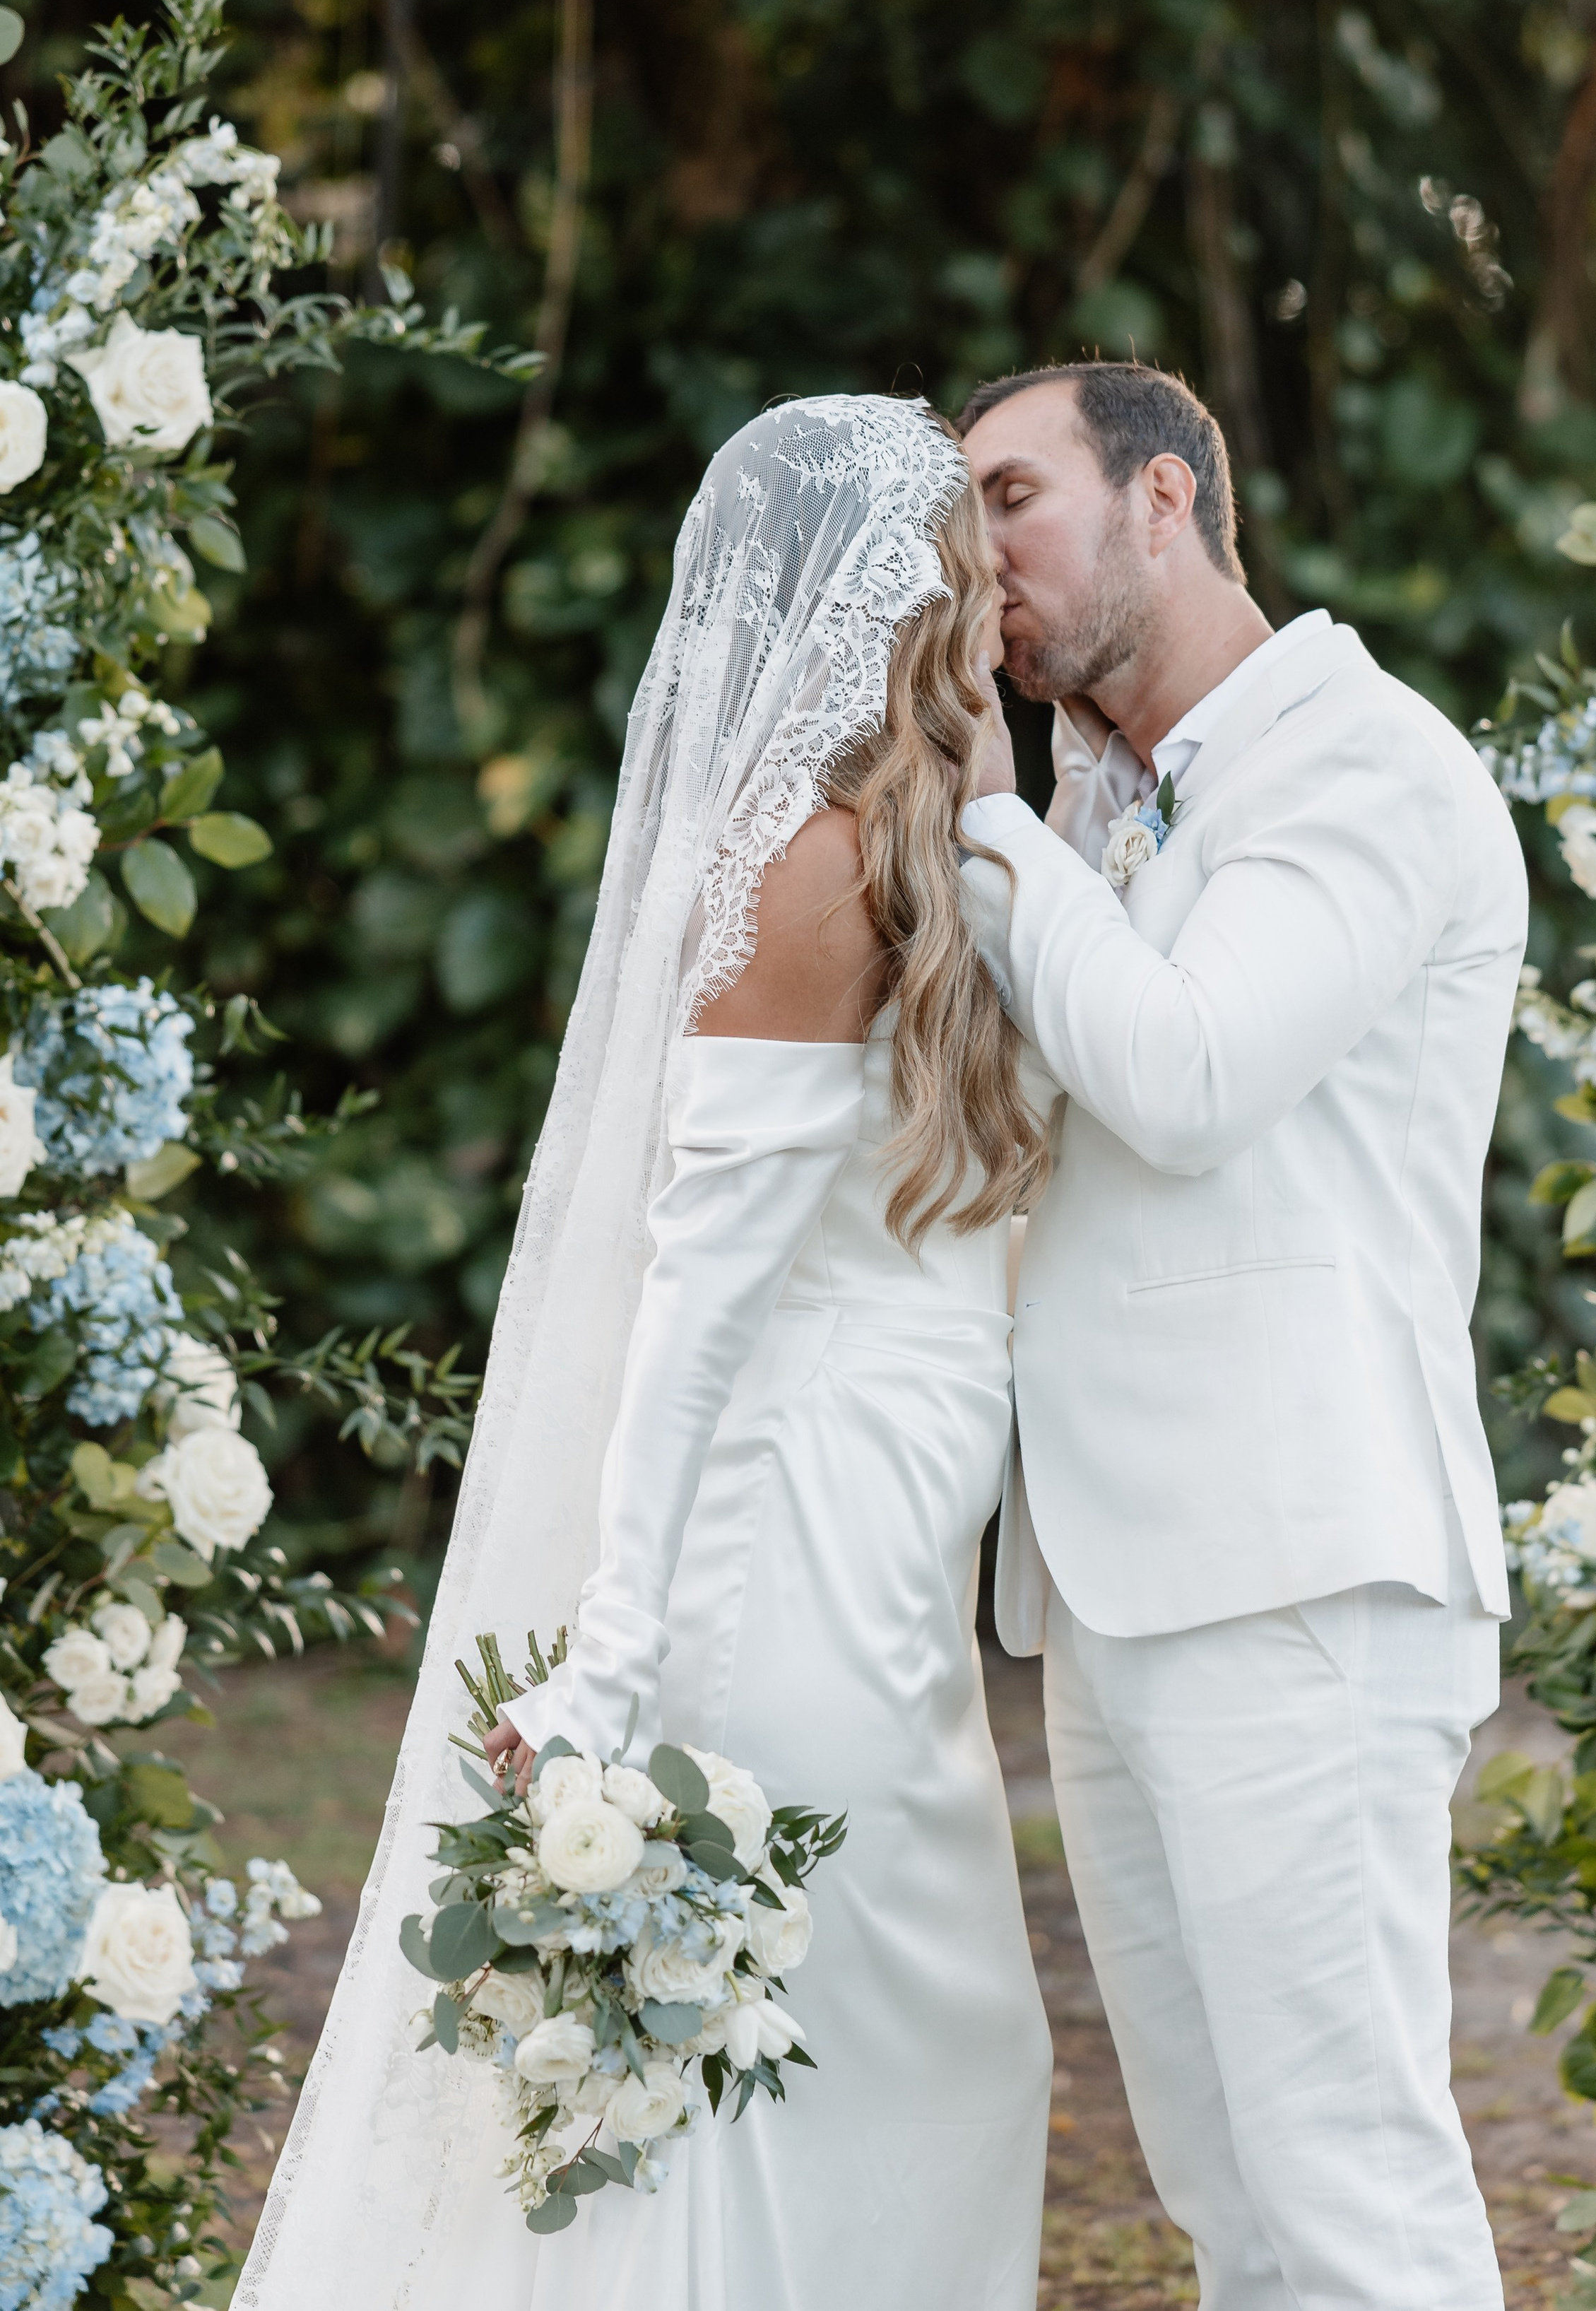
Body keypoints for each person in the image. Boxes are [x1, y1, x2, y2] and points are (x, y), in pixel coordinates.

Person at [233, 396, 1054, 2311]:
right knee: (818, 2076)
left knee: (898, 2058)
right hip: (792, 1557)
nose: (994, 573)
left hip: (884, 1555)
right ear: (874, 590)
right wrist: (617, 1661)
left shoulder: (920, 843)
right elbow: (692, 1306)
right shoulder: (806, 871)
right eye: (960, 542)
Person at [957, 360, 1527, 2311]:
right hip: (1121, 1576)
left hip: (1297, 1570)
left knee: (1347, 2186)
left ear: (1169, 498)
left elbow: (1193, 1077)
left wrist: (992, 823)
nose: (984, 561)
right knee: (1231, 2203)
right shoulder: (1122, 804)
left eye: (1015, 498)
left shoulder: (1360, 760)